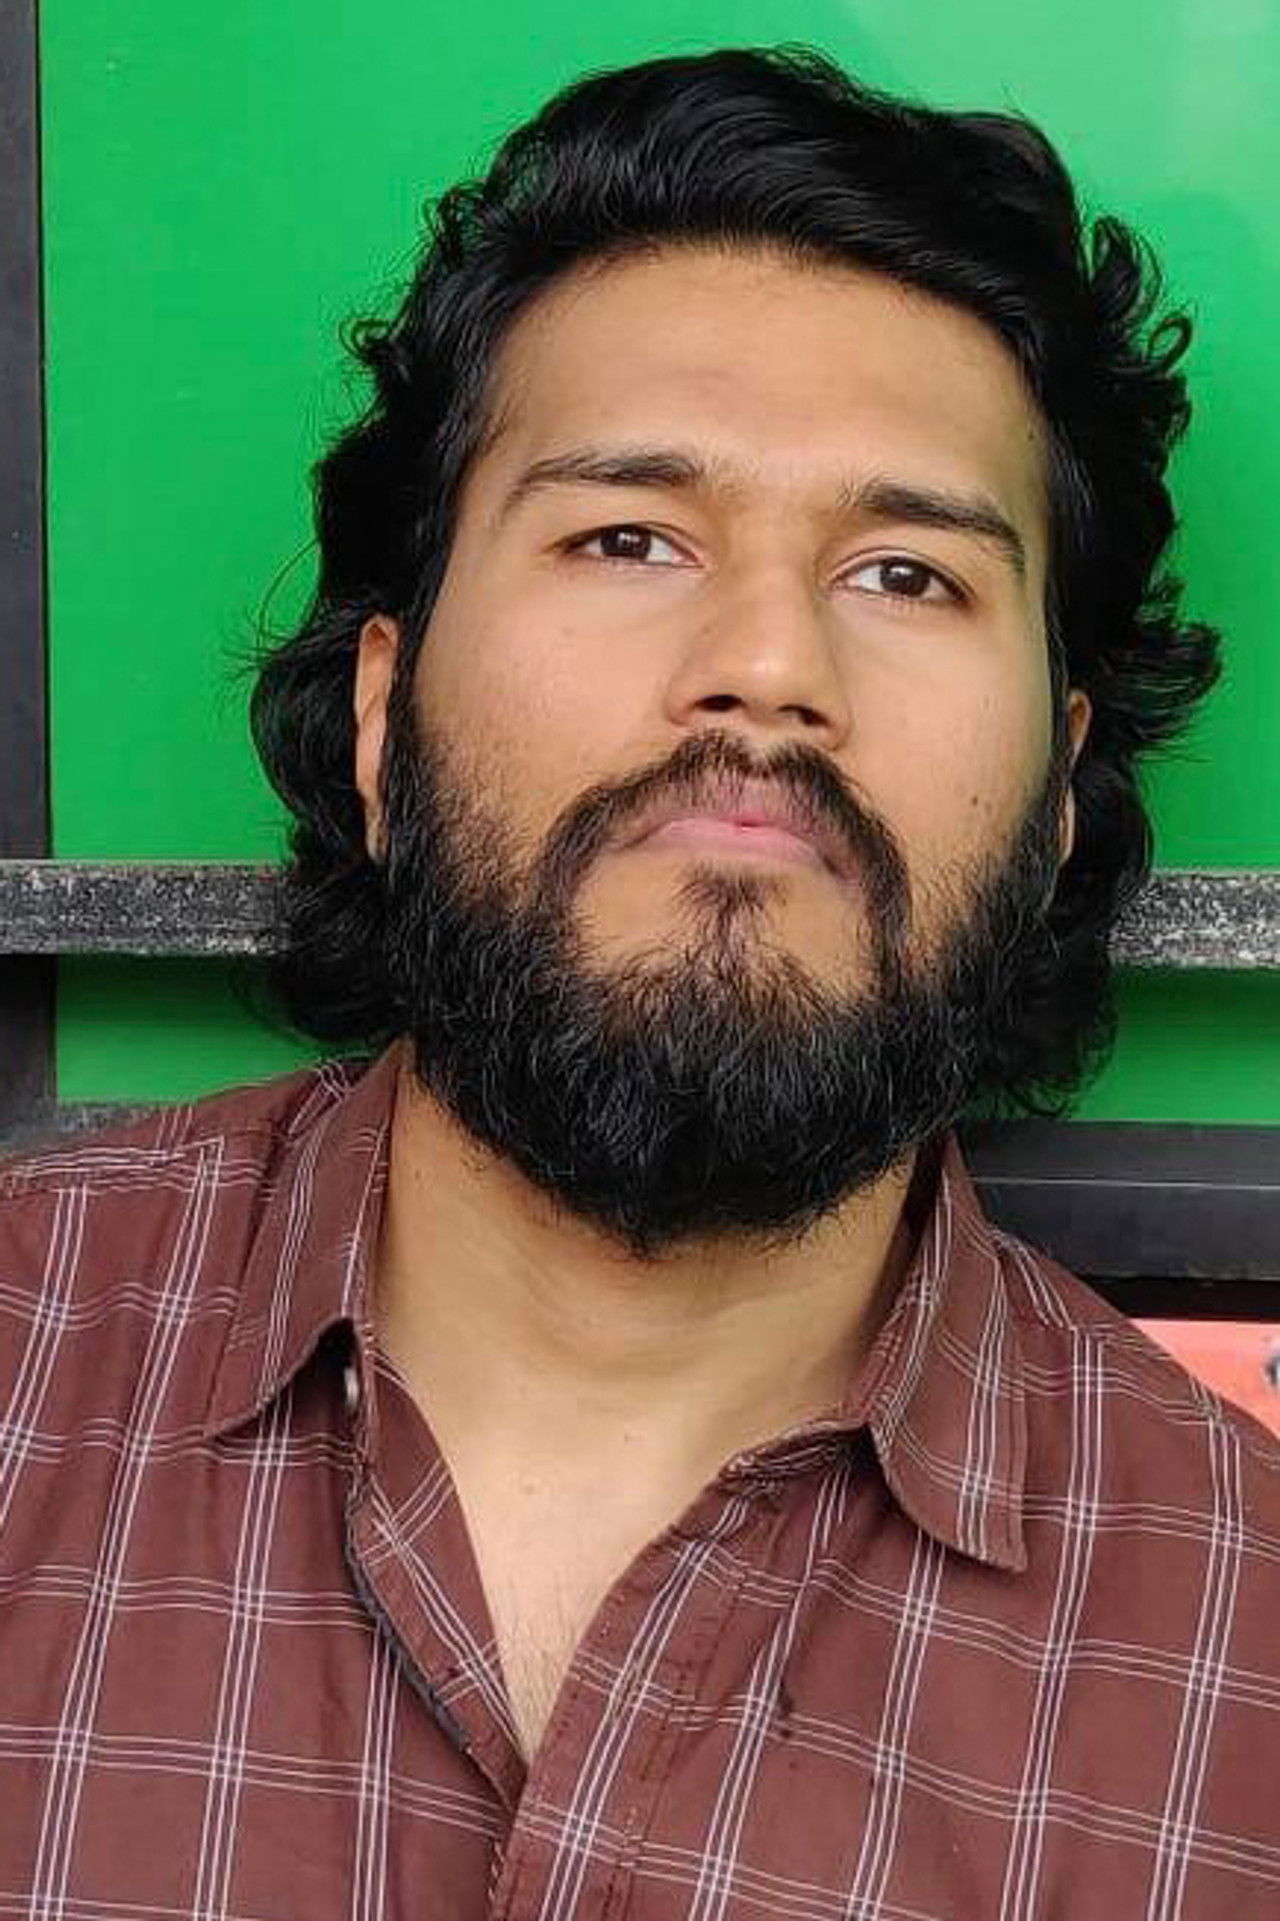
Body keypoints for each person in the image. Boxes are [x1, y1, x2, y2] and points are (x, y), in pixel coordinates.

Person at [1, 43, 1275, 1919]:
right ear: (381, 719)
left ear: (1059, 794)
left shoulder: (1247, 1667)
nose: (768, 664)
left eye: (908, 574)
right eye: (628, 536)